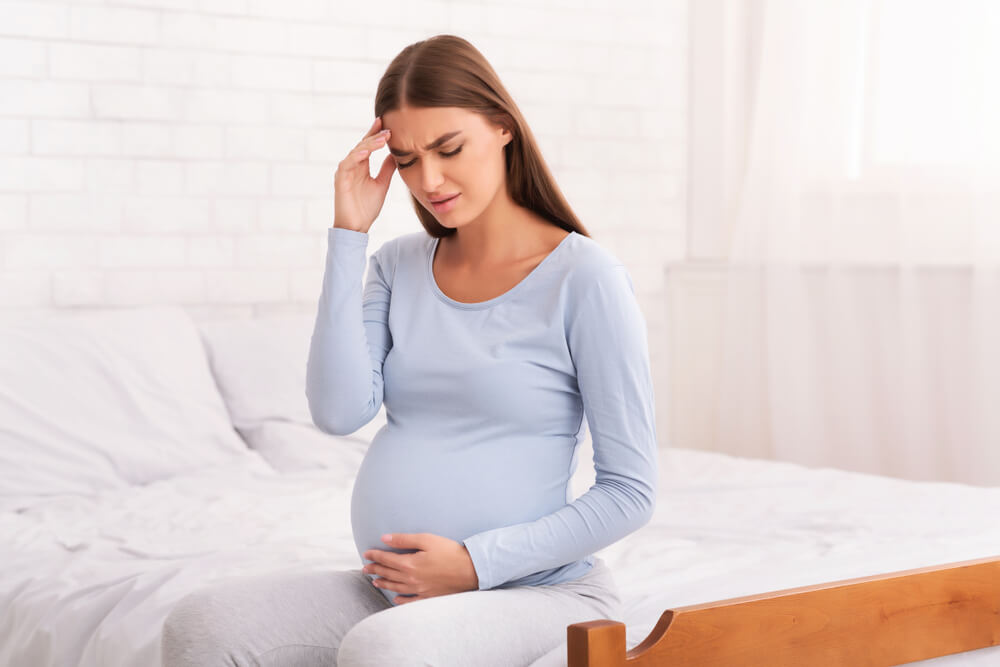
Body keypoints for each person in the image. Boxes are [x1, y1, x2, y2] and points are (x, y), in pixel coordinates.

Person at [161, 34, 657, 667]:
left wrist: (474, 564)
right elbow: (338, 412)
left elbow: (629, 491)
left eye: (449, 149)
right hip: (395, 594)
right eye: (406, 159)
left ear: (502, 127)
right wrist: (348, 236)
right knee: (202, 624)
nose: (429, 180)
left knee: (385, 651)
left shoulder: (585, 278)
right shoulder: (397, 266)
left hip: (541, 593)